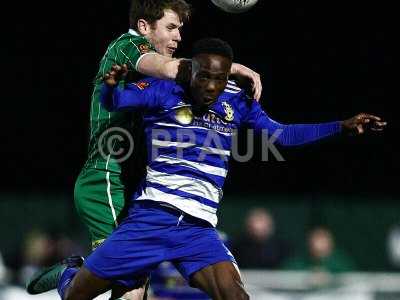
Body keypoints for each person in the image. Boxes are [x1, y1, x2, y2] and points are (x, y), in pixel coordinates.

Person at [40, 37, 385, 300]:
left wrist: (341, 125)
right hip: (150, 219)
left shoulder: (237, 99)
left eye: (218, 78)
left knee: (237, 297)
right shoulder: (163, 90)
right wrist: (111, 87)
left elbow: (283, 135)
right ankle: (71, 271)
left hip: (198, 232)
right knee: (76, 296)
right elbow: (116, 101)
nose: (209, 85)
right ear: (191, 70)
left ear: (226, 79)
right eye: (203, 76)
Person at [26, 1, 262, 299]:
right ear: (143, 26)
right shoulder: (127, 46)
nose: (178, 37)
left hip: (138, 187)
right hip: (107, 179)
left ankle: (78, 272)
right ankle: (70, 275)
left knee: (135, 291)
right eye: (171, 27)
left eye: (180, 29)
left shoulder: (160, 80)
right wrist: (230, 67)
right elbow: (168, 68)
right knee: (130, 291)